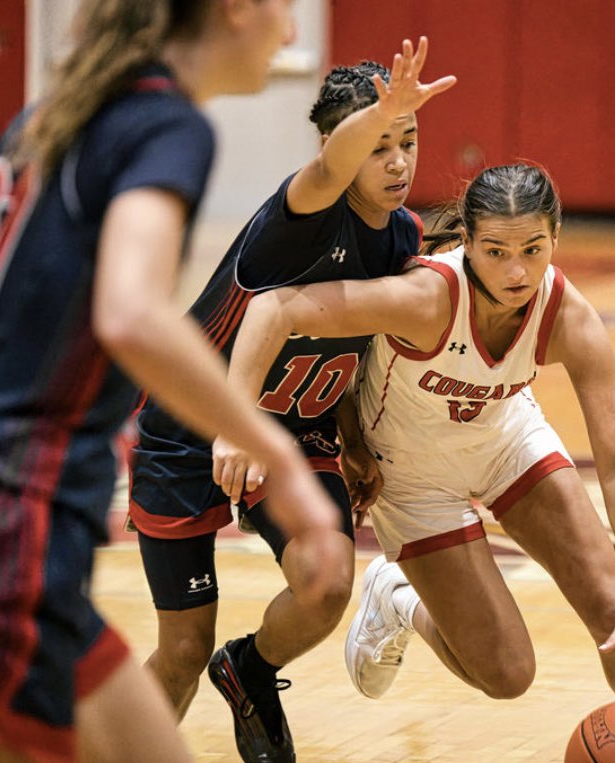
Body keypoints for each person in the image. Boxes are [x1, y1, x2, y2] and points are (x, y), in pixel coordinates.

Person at [0, 2, 342, 762]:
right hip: (1, 547)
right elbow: (131, 313)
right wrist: (279, 456)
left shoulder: (46, 122)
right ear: (232, 10)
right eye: (282, 7)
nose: (291, 33)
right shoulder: (168, 126)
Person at [214, 163, 615, 713]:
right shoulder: (426, 297)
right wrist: (236, 425)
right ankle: (397, 596)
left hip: (505, 440)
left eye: (533, 250)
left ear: (556, 237)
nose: (517, 272)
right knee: (508, 673)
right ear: (466, 241)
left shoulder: (570, 318)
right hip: (414, 476)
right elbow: (273, 307)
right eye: (496, 252)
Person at [127, 38, 455, 763]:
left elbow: (353, 343)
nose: (398, 162)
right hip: (190, 429)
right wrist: (365, 128)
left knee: (328, 580)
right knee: (181, 649)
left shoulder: (405, 238)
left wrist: (356, 436)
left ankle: (248, 669)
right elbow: (329, 166)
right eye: (379, 146)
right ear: (340, 145)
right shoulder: (300, 211)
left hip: (294, 434)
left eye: (408, 140)